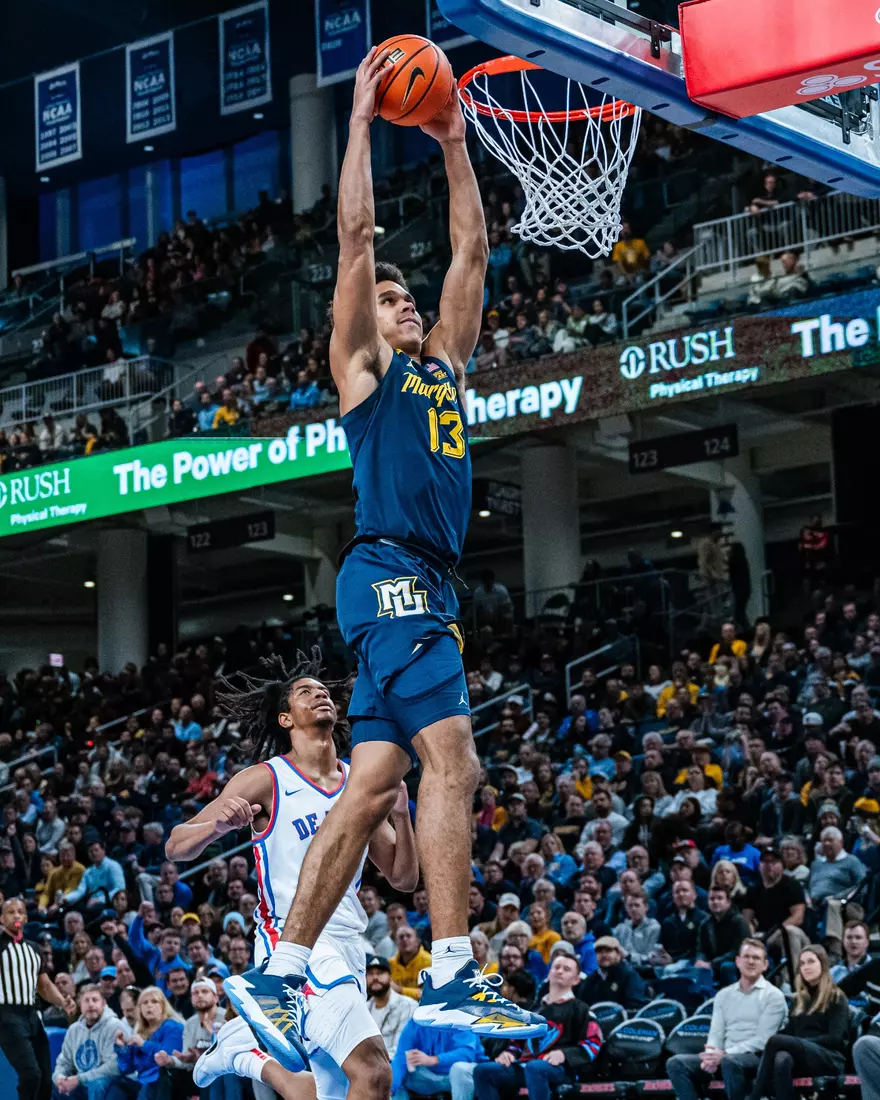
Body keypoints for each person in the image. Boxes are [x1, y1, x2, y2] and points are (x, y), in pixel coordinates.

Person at [226, 45, 544, 1063]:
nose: (412, 308)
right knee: (455, 755)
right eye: (398, 302)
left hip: (417, 582)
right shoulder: (365, 371)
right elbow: (358, 235)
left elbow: (473, 256)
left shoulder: (444, 369)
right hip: (392, 569)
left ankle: (279, 975)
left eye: (414, 304)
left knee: (369, 790)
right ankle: (452, 968)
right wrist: (359, 126)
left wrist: (453, 143)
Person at [165, 649, 419, 1097]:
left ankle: (242, 1055)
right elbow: (175, 846)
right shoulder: (267, 778)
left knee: (330, 1090)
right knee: (375, 1072)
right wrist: (217, 826)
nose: (320, 695)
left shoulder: (356, 785)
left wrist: (401, 816)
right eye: (306, 692)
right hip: (295, 940)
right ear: (285, 719)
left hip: (348, 943)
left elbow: (402, 879)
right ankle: (244, 1051)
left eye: (324, 691)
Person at [666, 939, 787, 1100]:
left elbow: (764, 1040)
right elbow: (716, 1033)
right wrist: (710, 1056)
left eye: (756, 958)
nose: (751, 961)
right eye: (746, 956)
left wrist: (725, 1054)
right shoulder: (724, 995)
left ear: (765, 965)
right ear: (738, 961)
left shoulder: (774, 996)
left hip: (758, 1058)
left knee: (731, 1062)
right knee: (676, 1063)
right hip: (724, 1057)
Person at [472, 954, 603, 1100]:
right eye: (556, 967)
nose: (560, 971)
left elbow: (594, 1042)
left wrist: (565, 1054)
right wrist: (509, 1053)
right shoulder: (532, 1010)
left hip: (560, 1069)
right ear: (549, 972)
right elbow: (518, 1042)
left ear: (576, 979)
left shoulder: (581, 1009)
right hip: (525, 1066)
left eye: (566, 969)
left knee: (535, 1068)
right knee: (482, 1071)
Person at [745, 946, 848, 1100]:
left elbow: (835, 1039)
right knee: (782, 1058)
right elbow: (790, 1033)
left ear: (823, 965)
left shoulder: (836, 997)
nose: (806, 967)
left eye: (811, 962)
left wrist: (799, 1043)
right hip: (802, 1055)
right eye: (802, 963)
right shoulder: (797, 1000)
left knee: (776, 1041)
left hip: (829, 1057)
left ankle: (756, 1095)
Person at [0, 897, 75, 1100]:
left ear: (25, 917)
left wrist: (62, 1001)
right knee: (31, 1074)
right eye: (10, 912)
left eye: (20, 911)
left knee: (44, 1078)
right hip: (7, 1016)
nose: (16, 915)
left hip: (32, 1015)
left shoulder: (34, 948)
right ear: (1, 918)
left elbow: (44, 985)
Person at [107, 987, 184, 1100]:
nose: (149, 1006)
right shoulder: (141, 1031)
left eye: (154, 1001)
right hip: (142, 1082)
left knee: (148, 1088)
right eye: (145, 1003)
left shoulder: (173, 1027)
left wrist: (144, 1044)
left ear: (163, 1006)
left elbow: (168, 1056)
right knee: (116, 1084)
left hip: (165, 1082)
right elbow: (126, 1069)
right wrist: (122, 1049)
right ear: (140, 1009)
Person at [390, 1015, 484, 1100]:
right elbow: (400, 1058)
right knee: (395, 1076)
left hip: (460, 1077)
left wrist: (433, 1060)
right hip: (430, 1076)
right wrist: (390, 1089)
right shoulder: (416, 1021)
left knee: (459, 1069)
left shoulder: (461, 1018)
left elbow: (467, 1054)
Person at [53, 985, 121, 1100]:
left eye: (95, 1000)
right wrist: (59, 1077)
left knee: (97, 1084)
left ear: (103, 1003)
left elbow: (113, 1067)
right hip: (83, 1079)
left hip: (110, 1079)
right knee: (56, 1085)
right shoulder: (73, 1029)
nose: (90, 1004)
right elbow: (64, 1061)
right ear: (80, 1005)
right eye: (86, 1000)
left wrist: (79, 1079)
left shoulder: (114, 1025)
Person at [580, 936, 649, 1011]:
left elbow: (635, 1005)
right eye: (599, 951)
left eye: (608, 950)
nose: (604, 955)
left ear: (619, 954)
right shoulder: (590, 980)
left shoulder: (629, 975)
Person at [366, 954, 415, 1059]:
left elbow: (402, 1048)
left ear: (390, 977)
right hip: (368, 1067)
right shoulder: (363, 1009)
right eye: (370, 973)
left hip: (396, 1066)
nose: (375, 977)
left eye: (380, 973)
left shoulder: (407, 1005)